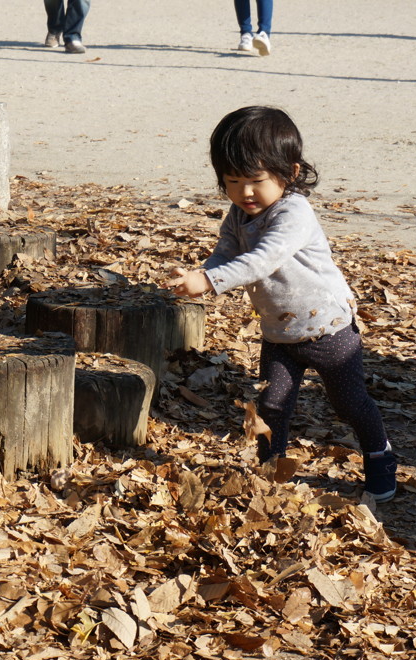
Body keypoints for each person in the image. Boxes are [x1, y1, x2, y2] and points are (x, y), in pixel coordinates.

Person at [166, 106, 397, 503]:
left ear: (289, 173)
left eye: (255, 180)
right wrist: (201, 273)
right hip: (279, 331)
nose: (244, 192)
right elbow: (226, 253)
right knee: (272, 404)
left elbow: (264, 259)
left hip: (329, 328)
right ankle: (272, 471)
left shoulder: (294, 212)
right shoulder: (239, 214)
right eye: (232, 181)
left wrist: (209, 281)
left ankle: (380, 458)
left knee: (349, 402)